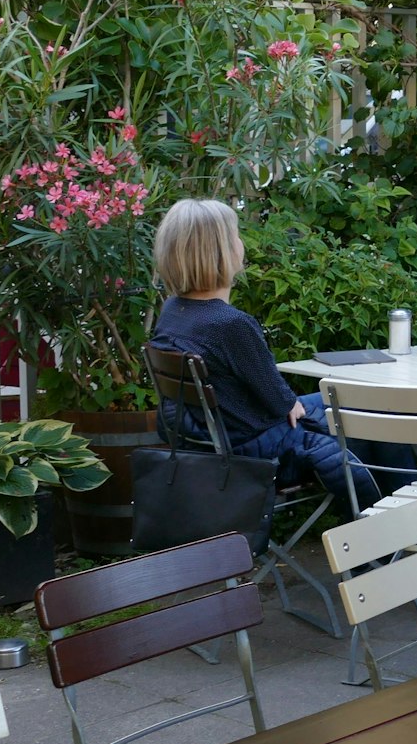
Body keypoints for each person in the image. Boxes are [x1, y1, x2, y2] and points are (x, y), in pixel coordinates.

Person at [148, 198, 395, 515]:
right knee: (377, 410)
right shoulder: (229, 325)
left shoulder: (173, 312)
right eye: (236, 235)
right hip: (257, 447)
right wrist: (289, 403)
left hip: (219, 437)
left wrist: (287, 403)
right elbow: (279, 400)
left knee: (361, 403)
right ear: (221, 252)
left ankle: (385, 521)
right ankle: (403, 523)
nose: (241, 243)